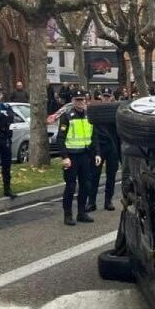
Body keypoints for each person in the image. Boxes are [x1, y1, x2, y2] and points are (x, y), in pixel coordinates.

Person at [58, 89, 101, 225]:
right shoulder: (67, 116)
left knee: (86, 185)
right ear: (72, 101)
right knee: (70, 186)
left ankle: (82, 213)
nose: (80, 102)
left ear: (85, 100)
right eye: (77, 100)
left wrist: (98, 153)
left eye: (82, 99)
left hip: (85, 155)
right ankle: (68, 215)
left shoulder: (89, 115)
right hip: (71, 156)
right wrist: (64, 157)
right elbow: (60, 138)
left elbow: (94, 136)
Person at [89, 88, 119, 212]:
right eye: (104, 96)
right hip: (99, 146)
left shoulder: (117, 111)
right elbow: (93, 130)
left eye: (108, 96)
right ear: (101, 97)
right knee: (94, 175)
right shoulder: (96, 111)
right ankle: (91, 202)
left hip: (112, 146)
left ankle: (108, 201)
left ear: (111, 97)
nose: (106, 98)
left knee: (111, 176)